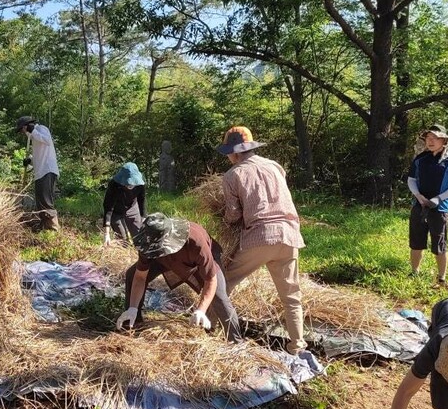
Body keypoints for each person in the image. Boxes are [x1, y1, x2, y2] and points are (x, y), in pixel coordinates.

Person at [218, 126, 306, 354]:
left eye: (228, 153)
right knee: (291, 296)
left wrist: (224, 221)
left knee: (223, 283)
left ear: (236, 153)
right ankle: (297, 345)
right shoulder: (274, 166)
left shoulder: (233, 175)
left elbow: (234, 214)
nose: (228, 157)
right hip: (289, 235)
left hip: (260, 236)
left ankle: (209, 328)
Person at [116, 212, 242, 341]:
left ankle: (236, 342)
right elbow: (140, 277)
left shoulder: (196, 242)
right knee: (131, 274)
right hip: (162, 260)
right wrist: (132, 307)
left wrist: (201, 310)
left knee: (219, 295)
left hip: (193, 260)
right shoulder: (148, 242)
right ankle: (133, 323)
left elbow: (210, 279)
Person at [407, 124, 448, 284]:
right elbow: (411, 180)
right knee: (416, 242)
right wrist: (418, 196)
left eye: (434, 138)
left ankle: (442, 277)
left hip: (440, 208)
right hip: (419, 206)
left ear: (444, 140)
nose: (430, 141)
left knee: (440, 243)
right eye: (428, 138)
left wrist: (439, 198)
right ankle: (414, 272)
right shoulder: (420, 159)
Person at [17, 115, 59, 231]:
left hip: (47, 170)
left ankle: (53, 227)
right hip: (40, 172)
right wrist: (29, 160)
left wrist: (33, 130)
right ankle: (45, 224)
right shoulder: (33, 137)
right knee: (40, 200)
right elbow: (38, 155)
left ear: (27, 126)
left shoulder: (41, 129)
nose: (23, 132)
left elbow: (47, 141)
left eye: (22, 130)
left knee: (46, 200)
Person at [102, 162, 146, 246]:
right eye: (128, 183)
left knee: (139, 237)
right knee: (123, 241)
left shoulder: (140, 184)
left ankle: (141, 256)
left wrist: (143, 219)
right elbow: (108, 208)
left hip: (132, 208)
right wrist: (106, 234)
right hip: (116, 211)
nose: (130, 185)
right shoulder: (114, 185)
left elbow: (142, 201)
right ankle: (125, 252)